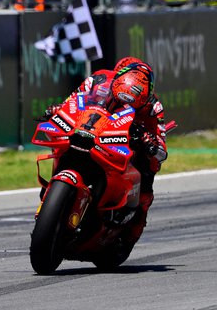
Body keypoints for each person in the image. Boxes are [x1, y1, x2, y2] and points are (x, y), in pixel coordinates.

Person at [44, 56, 167, 249]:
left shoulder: (153, 106)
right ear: (117, 77)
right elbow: (74, 100)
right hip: (91, 130)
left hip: (125, 144)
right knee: (61, 144)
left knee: (147, 177)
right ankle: (53, 199)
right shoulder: (98, 80)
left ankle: (131, 234)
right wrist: (58, 109)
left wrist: (151, 142)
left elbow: (161, 143)